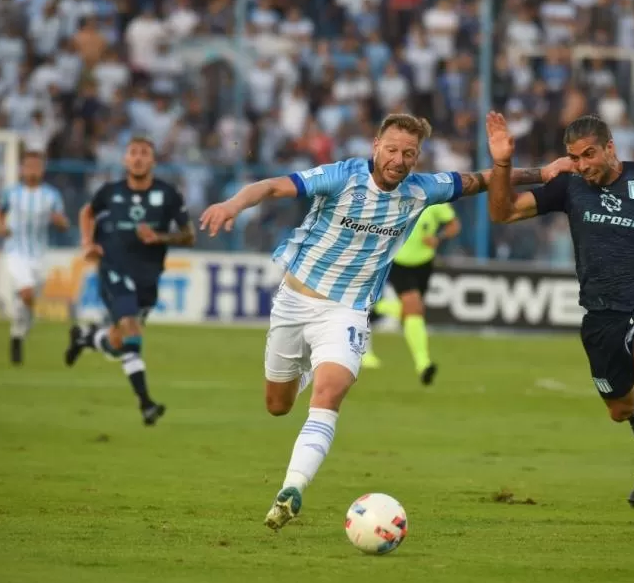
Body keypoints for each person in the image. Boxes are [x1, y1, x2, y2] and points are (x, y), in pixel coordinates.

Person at [199, 113, 572, 530]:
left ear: (417, 158)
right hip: (294, 301)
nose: (399, 159)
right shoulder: (342, 176)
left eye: (409, 153)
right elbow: (272, 186)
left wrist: (543, 172)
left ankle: (291, 490)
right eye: (392, 149)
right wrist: (233, 203)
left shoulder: (421, 190)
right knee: (278, 405)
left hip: (348, 310)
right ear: (376, 145)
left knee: (331, 390)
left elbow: (479, 179)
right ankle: (306, 371)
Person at [485, 112, 634, 510]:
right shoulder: (569, 187)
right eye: (574, 157)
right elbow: (502, 212)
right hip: (601, 315)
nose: (582, 164)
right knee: (620, 408)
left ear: (610, 147)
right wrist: (503, 162)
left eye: (589, 154)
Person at [64, 136, 195, 426]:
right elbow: (87, 212)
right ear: (125, 160)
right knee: (131, 330)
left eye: (143, 153)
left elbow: (188, 235)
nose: (137, 158)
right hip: (113, 268)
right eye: (132, 153)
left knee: (118, 341)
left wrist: (159, 237)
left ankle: (86, 338)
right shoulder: (110, 192)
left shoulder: (168, 194)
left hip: (148, 276)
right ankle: (146, 403)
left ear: (153, 160)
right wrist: (88, 242)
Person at [361, 202, 460, 384]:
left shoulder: (436, 197)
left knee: (412, 312)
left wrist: (439, 238)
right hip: (398, 261)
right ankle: (423, 363)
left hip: (424, 263)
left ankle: (380, 309)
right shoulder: (395, 195)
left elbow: (454, 225)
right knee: (414, 307)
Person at [0, 151, 70, 365]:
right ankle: (19, 333)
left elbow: (64, 223)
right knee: (26, 292)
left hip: (39, 255)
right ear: (22, 168)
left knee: (27, 298)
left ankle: (19, 332)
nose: (32, 170)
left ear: (43, 169)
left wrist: (60, 221)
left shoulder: (52, 195)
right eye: (29, 166)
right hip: (15, 250)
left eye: (37, 166)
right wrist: (0, 226)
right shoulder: (11, 192)